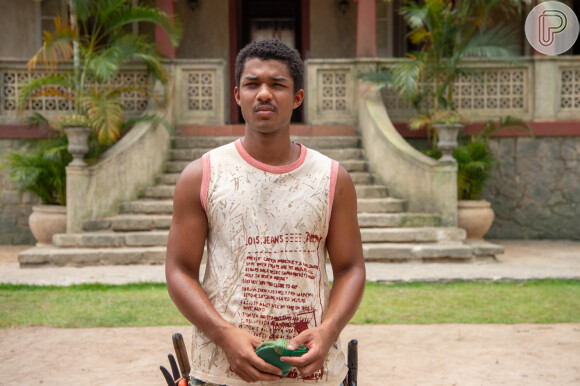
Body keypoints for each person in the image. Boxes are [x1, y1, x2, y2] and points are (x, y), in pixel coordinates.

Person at [165, 38, 366, 386]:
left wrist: (329, 331)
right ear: (237, 94)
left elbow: (351, 269)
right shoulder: (202, 175)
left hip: (311, 374)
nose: (263, 94)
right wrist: (224, 335)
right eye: (252, 84)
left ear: (298, 98)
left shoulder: (332, 178)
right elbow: (179, 270)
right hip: (220, 373)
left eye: (277, 84)